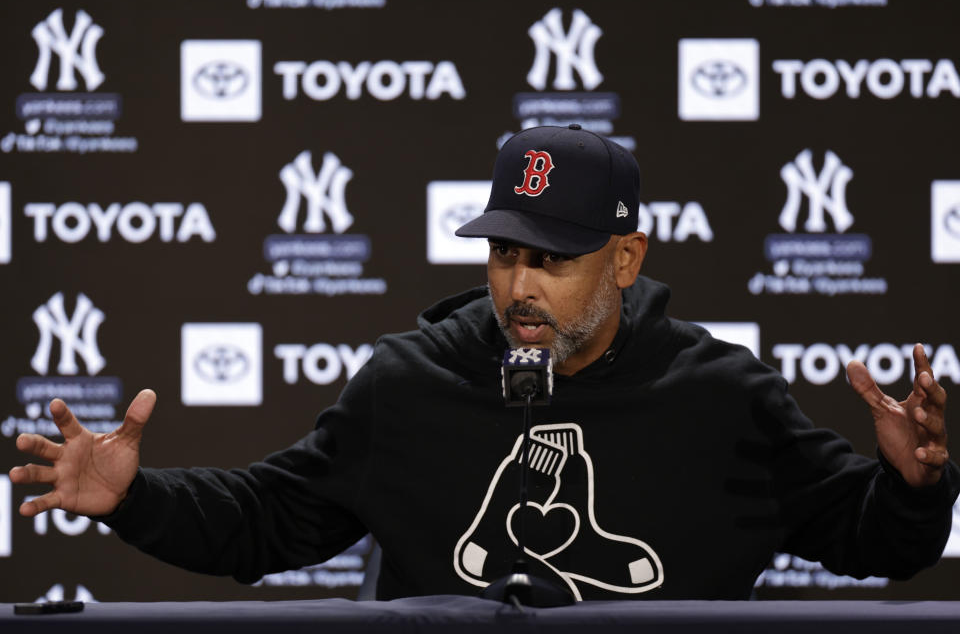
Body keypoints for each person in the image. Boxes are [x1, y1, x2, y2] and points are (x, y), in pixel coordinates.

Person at [9, 125, 959, 601]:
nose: (519, 287)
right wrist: (133, 498)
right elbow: (265, 521)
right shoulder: (411, 383)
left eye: (551, 259)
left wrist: (916, 487)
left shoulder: (721, 395)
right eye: (505, 254)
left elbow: (871, 540)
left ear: (625, 260)